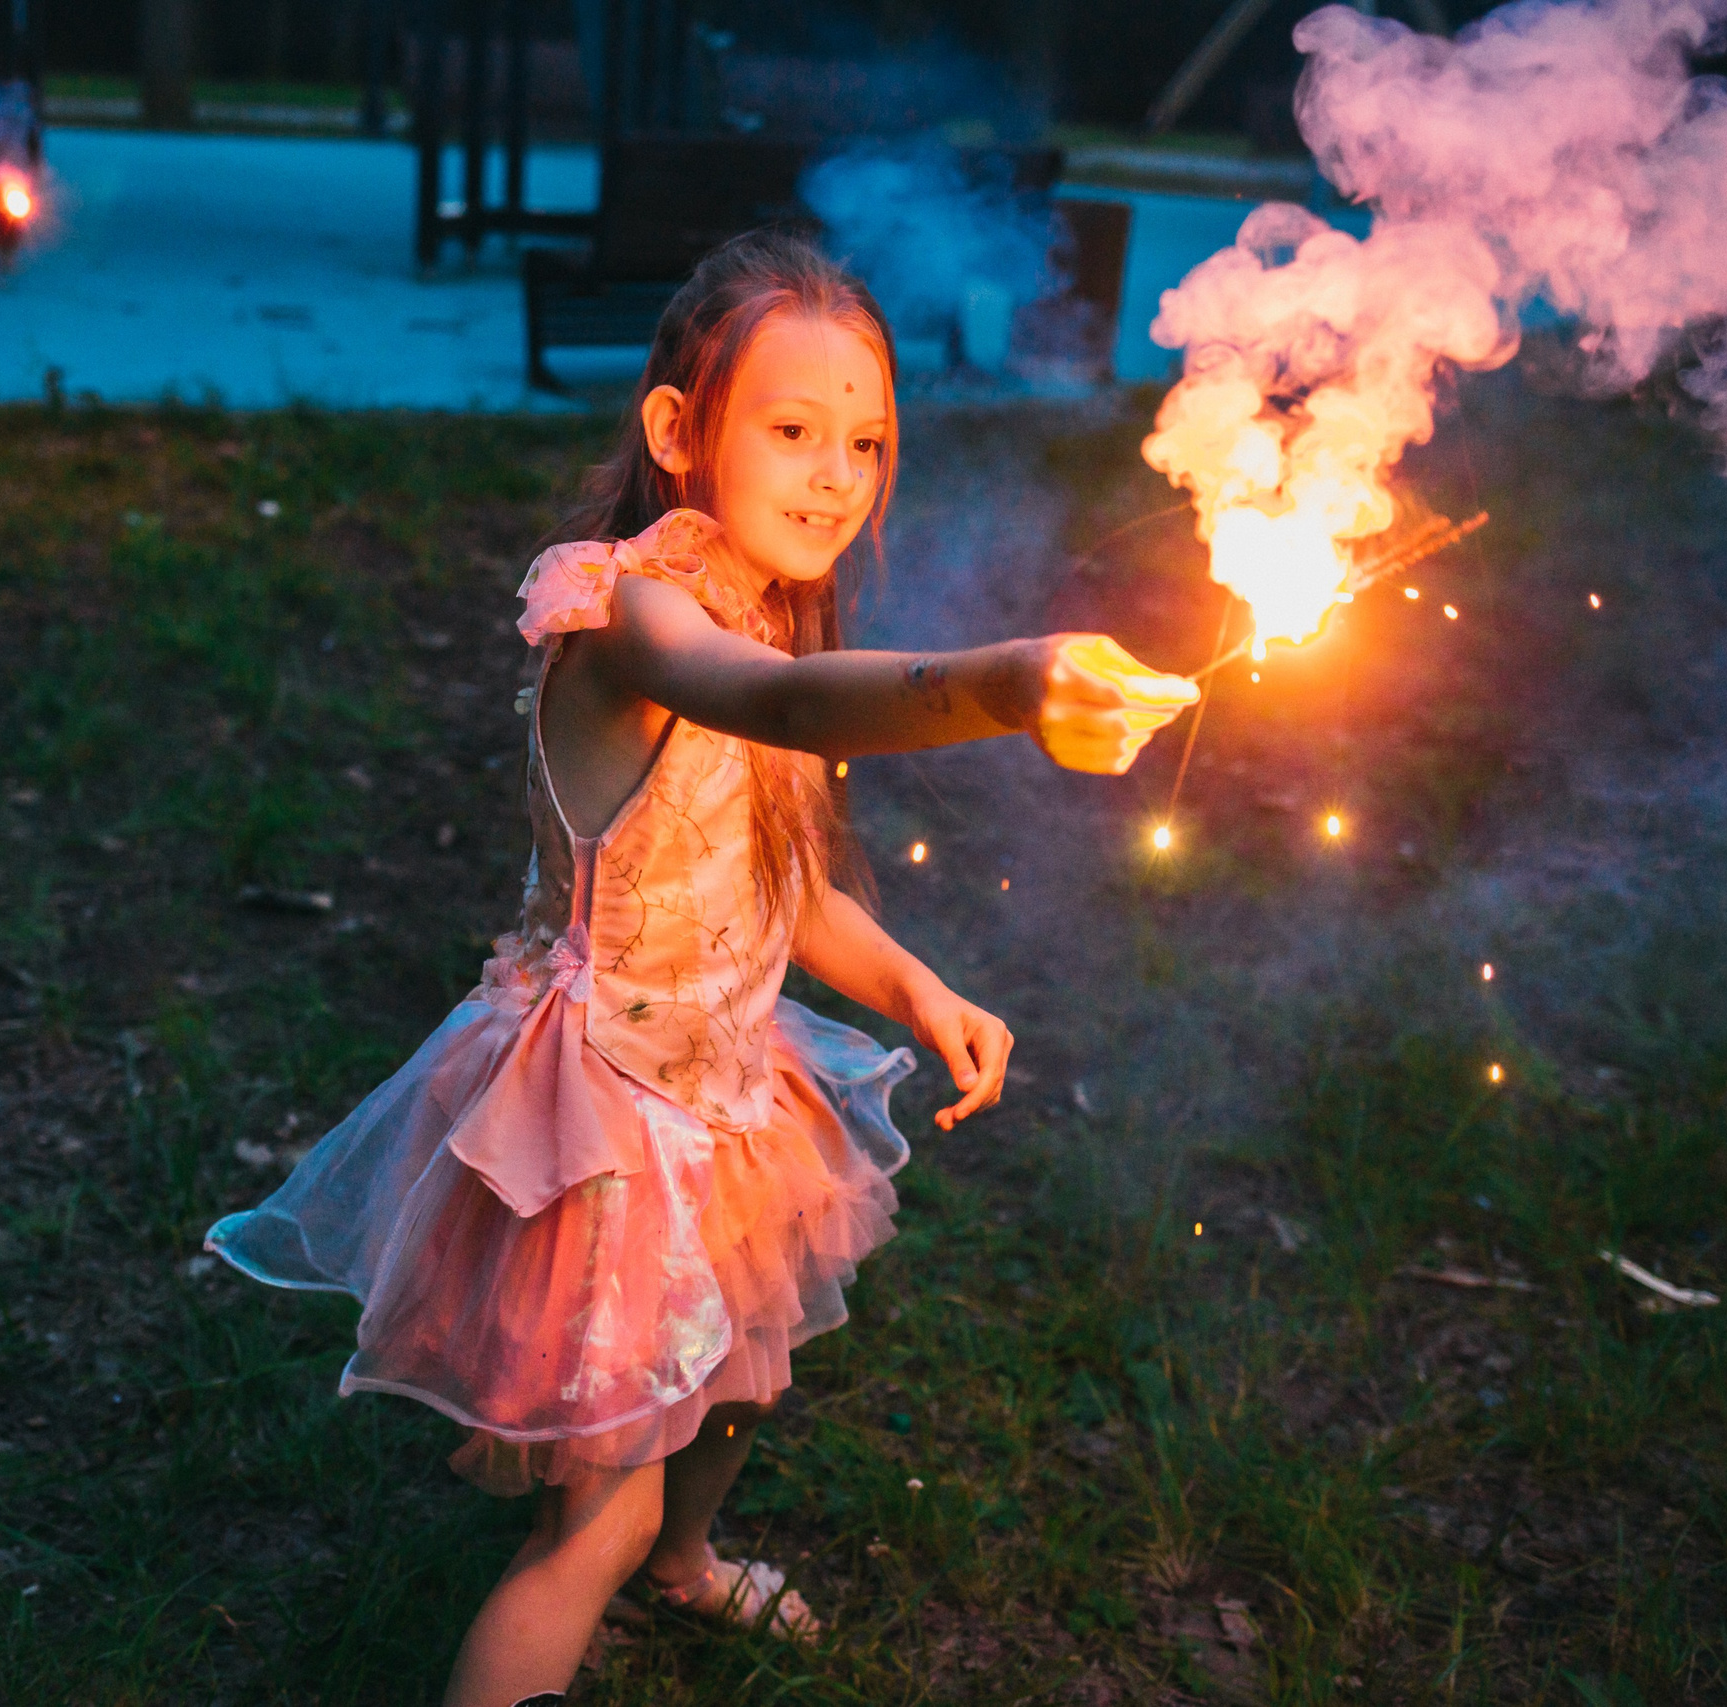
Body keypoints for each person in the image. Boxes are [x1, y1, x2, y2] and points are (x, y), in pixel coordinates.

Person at [202, 230, 1198, 1707]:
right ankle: (612, 1567)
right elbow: (781, 704)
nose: (834, 472)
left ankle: (689, 1559)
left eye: (864, 440)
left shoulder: (757, 600)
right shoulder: (635, 616)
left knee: (738, 1366)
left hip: (728, 1089)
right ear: (681, 432)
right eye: (791, 432)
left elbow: (771, 879)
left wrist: (917, 983)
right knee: (583, 1520)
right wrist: (1000, 683)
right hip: (606, 1114)